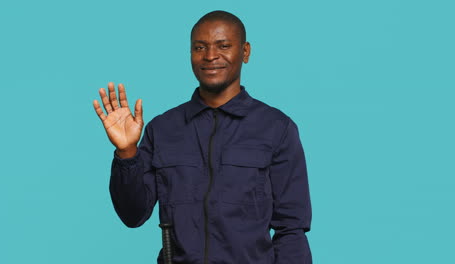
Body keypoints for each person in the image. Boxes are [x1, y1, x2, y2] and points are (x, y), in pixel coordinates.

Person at [93, 10, 312, 264]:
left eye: (223, 45)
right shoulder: (162, 129)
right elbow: (133, 215)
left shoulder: (277, 129)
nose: (210, 56)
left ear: (245, 52)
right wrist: (127, 153)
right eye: (199, 47)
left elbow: (291, 229)